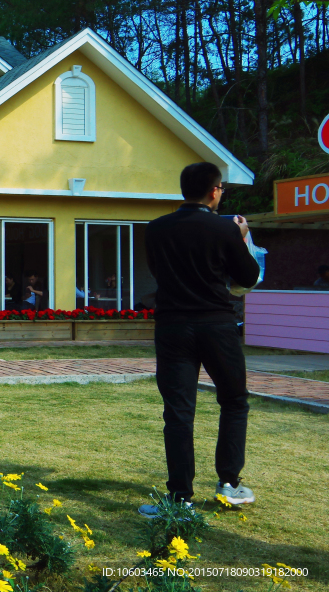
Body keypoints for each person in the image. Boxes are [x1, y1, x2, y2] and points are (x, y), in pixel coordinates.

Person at [141, 162, 261, 515]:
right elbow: (249, 276)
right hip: (216, 324)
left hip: (173, 326)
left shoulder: (155, 229)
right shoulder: (224, 229)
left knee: (178, 411)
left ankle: (180, 496)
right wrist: (240, 239)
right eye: (222, 188)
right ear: (214, 191)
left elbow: (157, 271)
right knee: (234, 401)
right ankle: (229, 483)